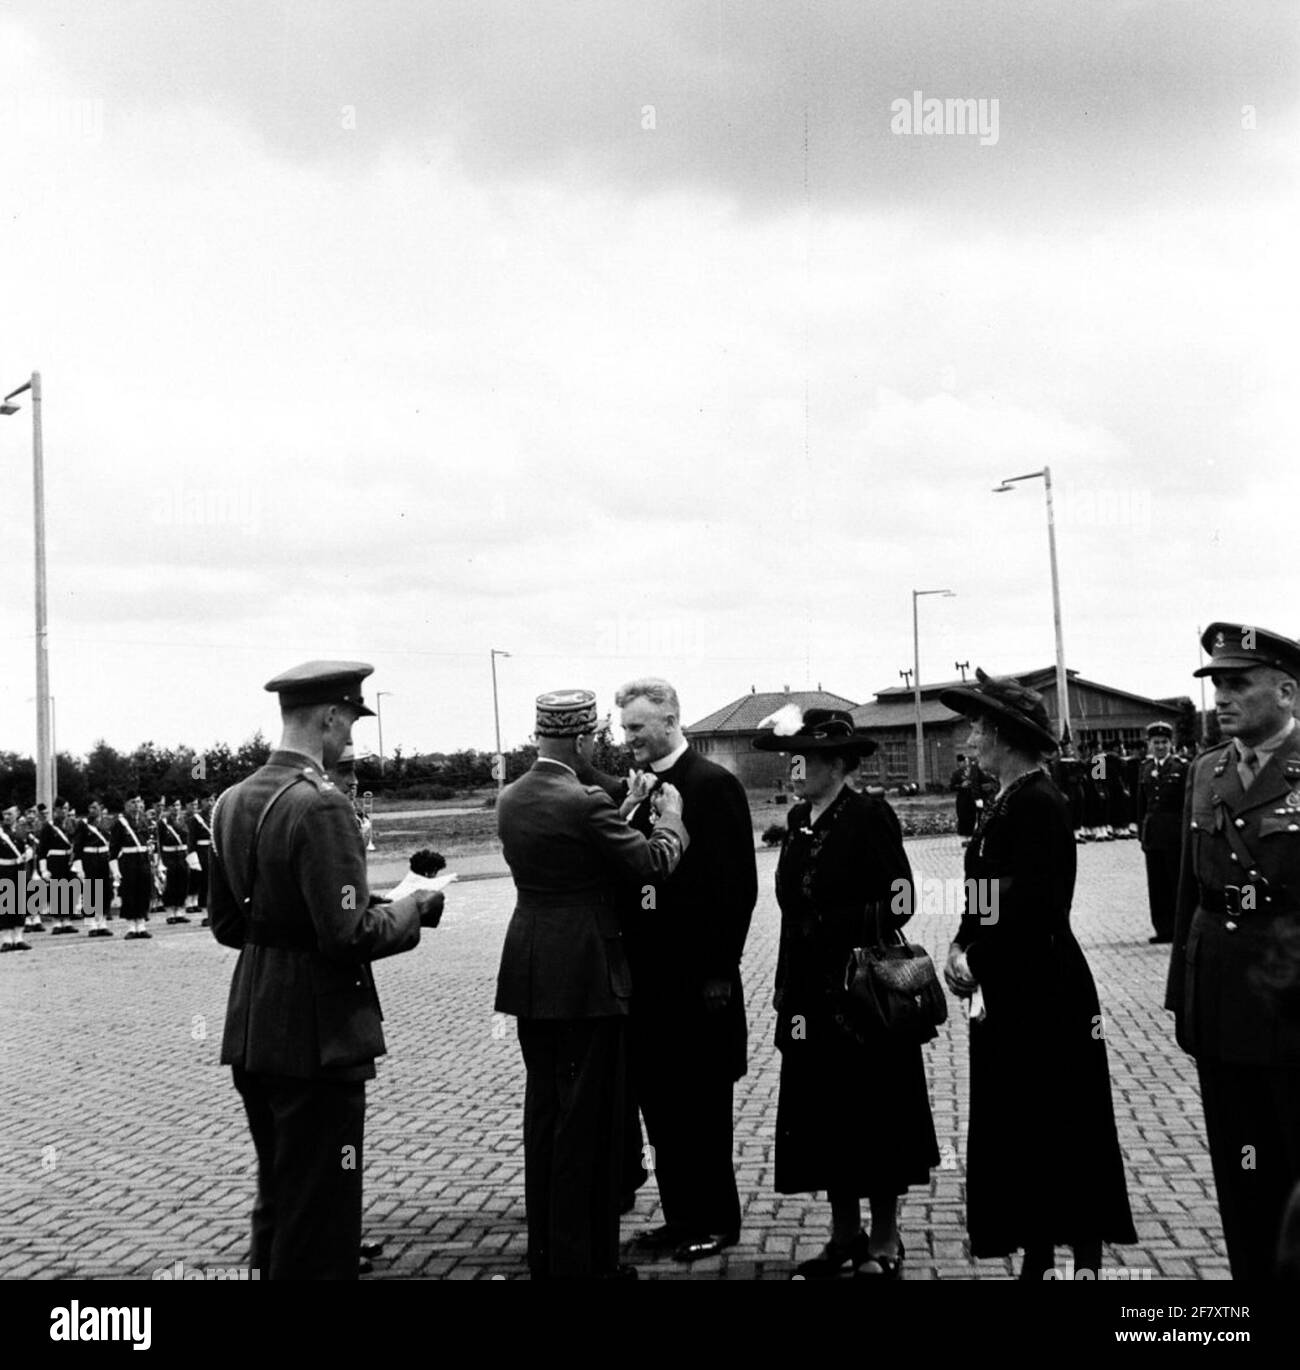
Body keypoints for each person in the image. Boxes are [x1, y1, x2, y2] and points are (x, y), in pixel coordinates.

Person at [209, 659, 445, 1281]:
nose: (349, 740)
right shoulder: (322, 807)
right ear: (330, 716)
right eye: (349, 725)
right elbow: (346, 936)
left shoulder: (231, 801)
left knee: (281, 1199)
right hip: (318, 1035)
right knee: (323, 1211)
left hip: (255, 1025)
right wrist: (412, 907)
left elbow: (230, 926)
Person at [940, 669, 1135, 1279]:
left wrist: (979, 957)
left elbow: (1038, 904)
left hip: (1045, 986)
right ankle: (1039, 1251)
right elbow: (987, 894)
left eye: (976, 728)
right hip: (1009, 983)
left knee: (1064, 1120)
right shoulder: (1004, 800)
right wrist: (960, 941)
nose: (969, 740)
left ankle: (1084, 1259)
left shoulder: (1040, 802)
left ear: (1001, 734)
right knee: (1020, 1121)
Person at [495, 688, 689, 1280]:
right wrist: (671, 821)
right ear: (582, 739)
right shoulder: (582, 801)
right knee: (591, 1126)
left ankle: (550, 1256)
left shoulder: (511, 798)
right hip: (588, 978)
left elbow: (577, 853)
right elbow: (651, 862)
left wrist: (620, 811)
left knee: (547, 1118)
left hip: (532, 973)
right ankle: (587, 1266)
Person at [755, 708, 938, 1279]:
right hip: (810, 992)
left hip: (863, 995)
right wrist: (787, 988)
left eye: (805, 756)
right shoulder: (798, 819)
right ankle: (843, 1234)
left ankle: (885, 1238)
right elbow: (792, 908)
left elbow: (902, 900)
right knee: (824, 1113)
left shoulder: (869, 816)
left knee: (874, 1110)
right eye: (791, 755)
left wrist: (837, 925)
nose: (793, 765)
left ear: (837, 763)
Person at [1165, 622, 1300, 1280]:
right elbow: (1191, 890)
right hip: (1219, 1005)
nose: (1222, 696)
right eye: (1216, 683)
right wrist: (1180, 999)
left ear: (1286, 690)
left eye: (1238, 682)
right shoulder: (1205, 771)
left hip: (1291, 1009)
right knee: (1240, 1175)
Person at [615, 677, 757, 1263]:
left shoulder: (713, 786)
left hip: (700, 981)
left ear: (671, 720)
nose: (628, 740)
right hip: (646, 981)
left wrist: (721, 968)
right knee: (661, 1106)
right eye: (624, 729)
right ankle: (679, 1219)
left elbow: (737, 888)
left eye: (638, 728)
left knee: (701, 1108)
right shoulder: (641, 791)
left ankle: (715, 1220)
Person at [1136, 722, 1187, 945]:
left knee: (1175, 882)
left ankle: (1179, 928)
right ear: (1149, 744)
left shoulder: (1181, 767)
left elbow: (1187, 804)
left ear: (1171, 744)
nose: (1159, 746)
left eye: (1164, 742)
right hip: (1153, 835)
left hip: (1174, 835)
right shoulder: (1145, 768)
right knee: (1156, 886)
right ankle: (1162, 928)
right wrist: (1141, 832)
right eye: (1155, 742)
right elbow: (1140, 804)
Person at [110, 795, 153, 939]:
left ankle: (141, 925)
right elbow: (114, 850)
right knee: (129, 894)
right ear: (126, 805)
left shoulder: (144, 821)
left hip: (143, 861)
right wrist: (115, 871)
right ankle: (131, 927)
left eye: (138, 802)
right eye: (132, 802)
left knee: (143, 892)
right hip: (128, 862)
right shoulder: (120, 823)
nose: (136, 805)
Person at [73, 800, 115, 937]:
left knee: (105, 890)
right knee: (91, 891)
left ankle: (102, 923)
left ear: (101, 808)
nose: (92, 810)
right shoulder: (83, 824)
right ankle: (92, 924)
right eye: (90, 807)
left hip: (103, 857)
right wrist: (78, 865)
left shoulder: (108, 822)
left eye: (95, 807)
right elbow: (77, 846)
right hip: (89, 859)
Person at [0, 805, 31, 953]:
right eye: (5, 814)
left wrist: (28, 855)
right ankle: (6, 939)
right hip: (4, 869)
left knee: (19, 904)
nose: (7, 817)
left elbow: (28, 847)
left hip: (18, 869)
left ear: (17, 815)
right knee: (6, 903)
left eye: (10, 814)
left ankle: (18, 937)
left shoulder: (21, 831)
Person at [156, 801, 191, 924]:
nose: (176, 808)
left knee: (182, 882)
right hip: (169, 856)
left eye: (178, 806)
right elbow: (159, 843)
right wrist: (160, 861)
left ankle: (180, 911)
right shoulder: (163, 823)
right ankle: (171, 912)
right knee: (171, 884)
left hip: (182, 855)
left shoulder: (184, 820)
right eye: (173, 806)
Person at [186, 795, 213, 924]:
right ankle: (207, 913)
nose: (211, 803)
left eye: (212, 800)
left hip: (214, 852)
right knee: (205, 884)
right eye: (208, 800)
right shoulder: (196, 819)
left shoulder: (215, 816)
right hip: (202, 854)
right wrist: (193, 859)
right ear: (202, 802)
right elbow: (191, 841)